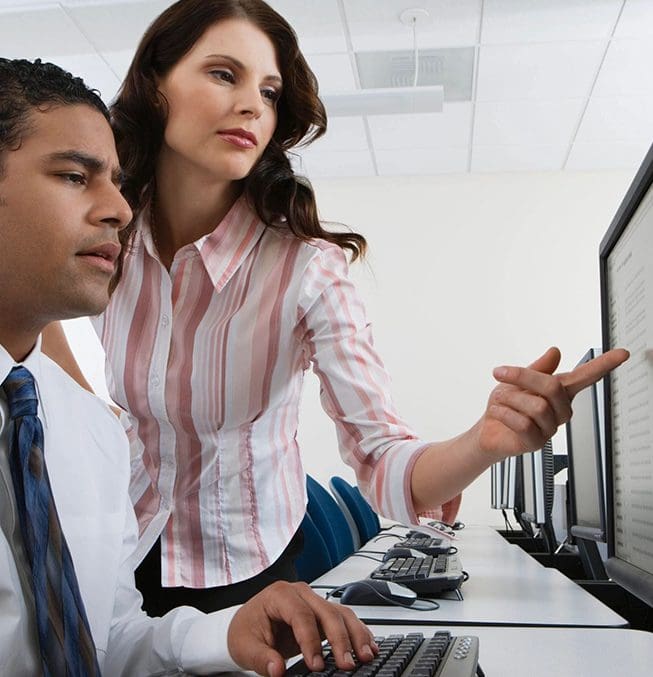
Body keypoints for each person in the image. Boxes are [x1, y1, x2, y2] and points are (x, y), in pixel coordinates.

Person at [43, 0, 629, 615]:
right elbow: (35, 299)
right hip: (119, 548)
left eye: (269, 92)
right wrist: (90, 410)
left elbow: (382, 463)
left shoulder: (306, 270)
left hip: (245, 576)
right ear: (156, 84)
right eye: (224, 74)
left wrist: (485, 443)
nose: (252, 106)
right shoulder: (114, 228)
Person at [0, 56, 379, 676]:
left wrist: (228, 633)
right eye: (74, 176)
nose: (119, 210)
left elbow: (113, 638)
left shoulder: (89, 435)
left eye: (117, 182)